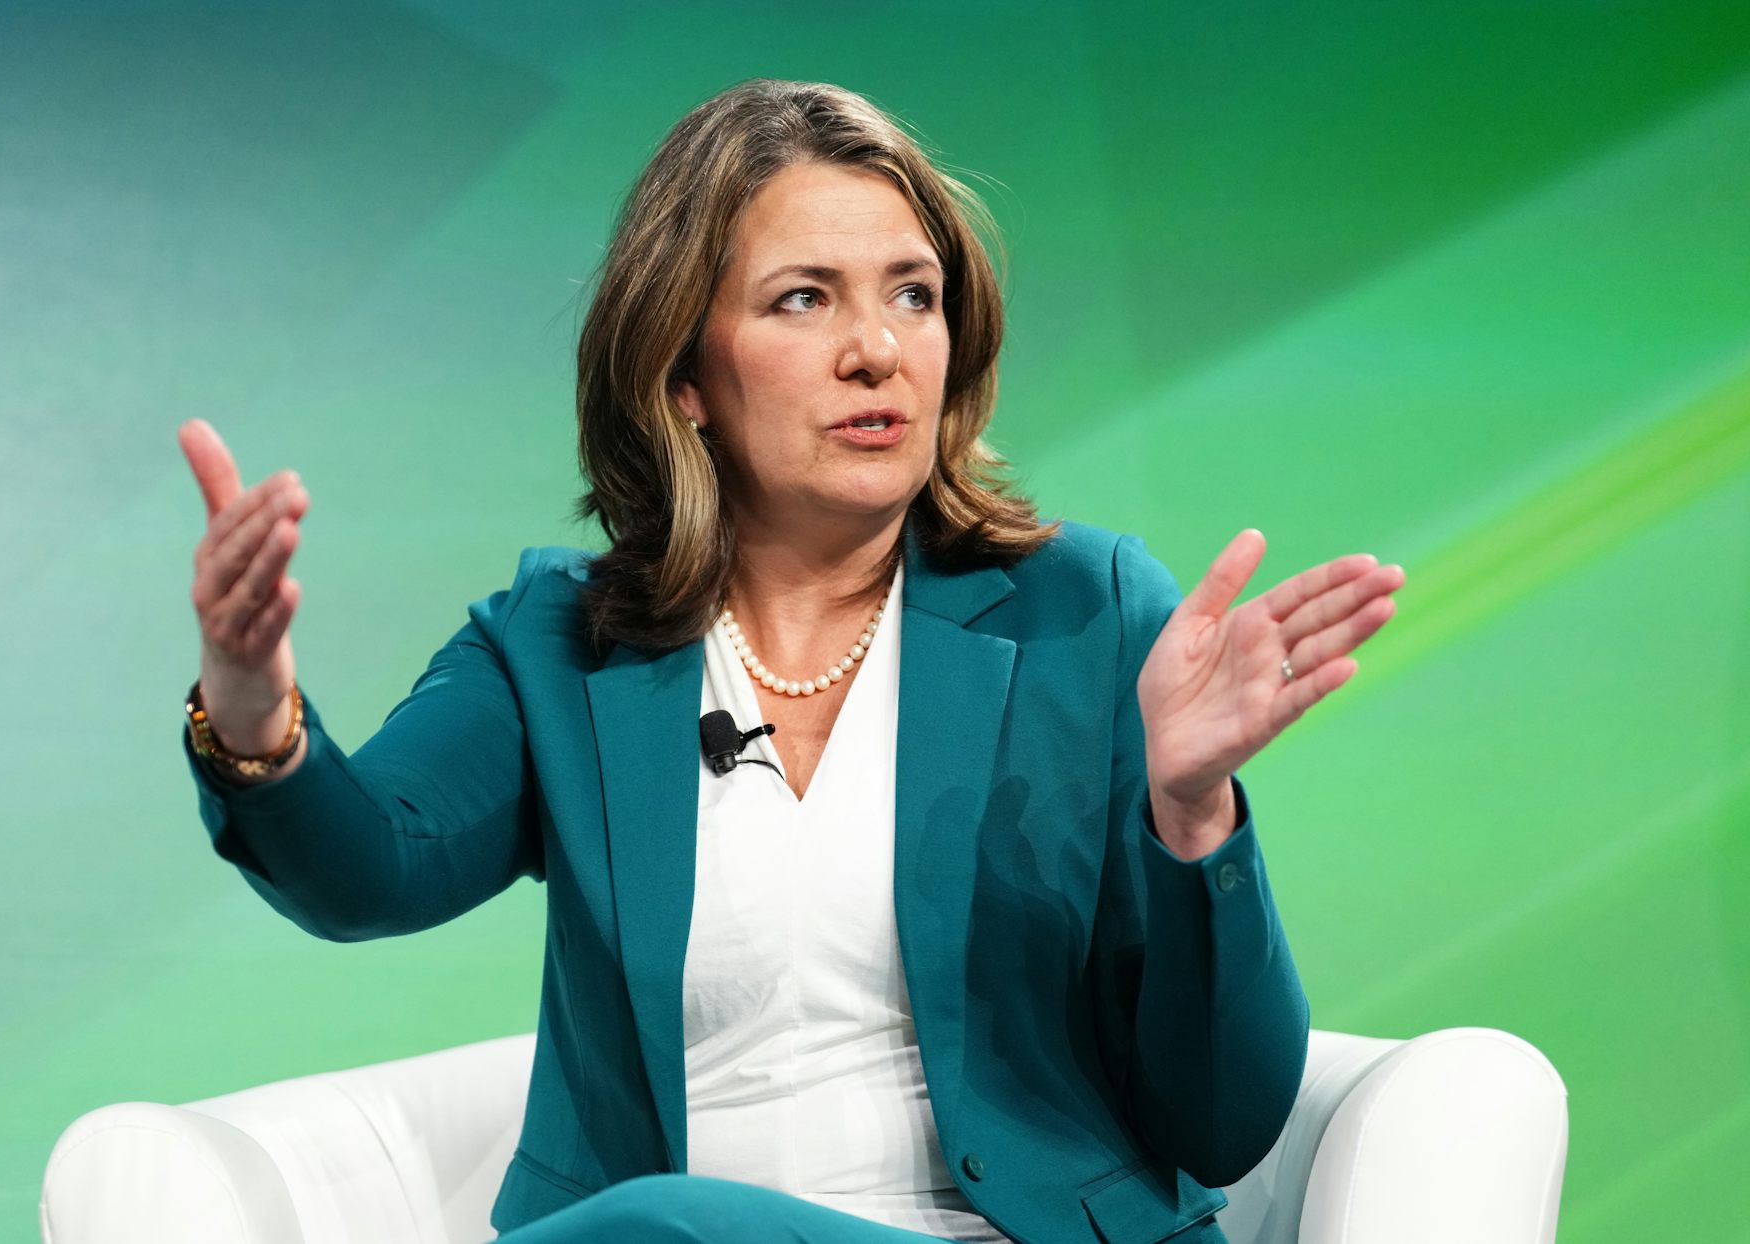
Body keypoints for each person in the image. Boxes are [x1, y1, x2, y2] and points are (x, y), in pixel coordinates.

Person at [176, 79, 1403, 1244]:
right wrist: (248, 701)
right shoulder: (561, 642)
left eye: (913, 294)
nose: (876, 348)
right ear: (684, 375)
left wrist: (1195, 815)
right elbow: (368, 867)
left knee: (663, 1222)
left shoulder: (1088, 614)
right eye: (803, 298)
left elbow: (1229, 1119)